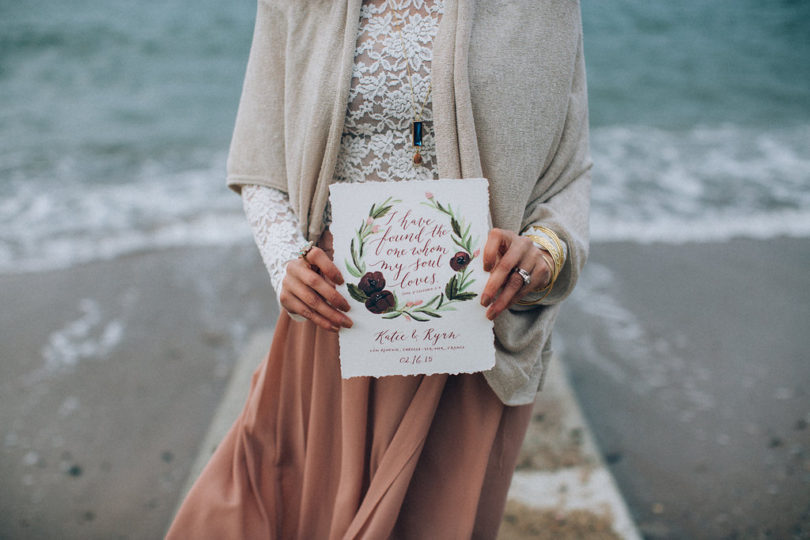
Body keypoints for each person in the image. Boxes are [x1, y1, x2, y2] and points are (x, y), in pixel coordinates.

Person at [167, 0, 591, 537]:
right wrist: (285, 261)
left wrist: (545, 253)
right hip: (336, 320)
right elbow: (260, 159)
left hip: (473, 331)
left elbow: (568, 172)